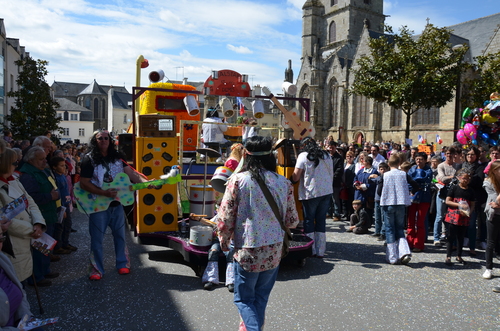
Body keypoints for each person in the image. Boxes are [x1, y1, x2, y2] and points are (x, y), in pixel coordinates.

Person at [217, 136, 299, 331]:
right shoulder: (283, 182)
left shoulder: (238, 181)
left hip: (248, 249)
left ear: (246, 156)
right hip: (274, 248)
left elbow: (225, 217)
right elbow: (292, 221)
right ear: (270, 156)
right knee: (261, 297)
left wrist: (223, 240)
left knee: (244, 299)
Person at [79, 130, 150, 281]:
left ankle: (123, 264)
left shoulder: (118, 157)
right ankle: (96, 269)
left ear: (110, 141)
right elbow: (83, 183)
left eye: (106, 138)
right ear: (94, 141)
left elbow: (131, 174)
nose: (104, 140)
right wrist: (103, 193)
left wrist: (146, 183)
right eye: (100, 138)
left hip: (117, 205)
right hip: (98, 206)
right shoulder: (88, 159)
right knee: (96, 239)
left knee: (120, 237)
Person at [0, 148, 46, 283]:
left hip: (26, 237)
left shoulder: (14, 179)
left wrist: (38, 223)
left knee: (23, 282)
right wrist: (32, 229)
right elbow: (4, 220)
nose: (17, 165)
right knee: (15, 285)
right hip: (13, 243)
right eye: (14, 163)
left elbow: (29, 201)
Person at [19, 146, 59, 287]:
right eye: (41, 159)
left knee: (45, 247)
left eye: (45, 159)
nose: (44, 162)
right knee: (38, 249)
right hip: (39, 218)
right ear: (31, 160)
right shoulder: (28, 175)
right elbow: (30, 198)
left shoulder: (41, 171)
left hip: (48, 214)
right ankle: (37, 276)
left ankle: (45, 270)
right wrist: (50, 196)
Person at [291, 137, 333, 258]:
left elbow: (296, 177)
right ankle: (321, 250)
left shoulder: (303, 155)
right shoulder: (326, 154)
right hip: (326, 191)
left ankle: (311, 249)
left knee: (309, 220)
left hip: (312, 192)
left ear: (303, 146)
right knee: (321, 220)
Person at [378, 154, 415, 265]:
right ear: (399, 163)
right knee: (399, 228)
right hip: (401, 203)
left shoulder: (385, 175)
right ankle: (404, 253)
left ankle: (392, 257)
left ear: (388, 164)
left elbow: (379, 191)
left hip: (388, 204)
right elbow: (415, 184)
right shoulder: (403, 174)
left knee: (389, 229)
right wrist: (409, 192)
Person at [444, 169, 475, 266]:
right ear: (459, 178)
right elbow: (448, 201)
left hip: (464, 215)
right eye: (464, 178)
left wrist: (469, 212)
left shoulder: (471, 190)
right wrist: (458, 205)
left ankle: (459, 255)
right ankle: (448, 256)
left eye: (468, 178)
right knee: (451, 236)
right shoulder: (454, 188)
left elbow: (473, 204)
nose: (466, 180)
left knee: (461, 236)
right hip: (454, 214)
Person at [407, 152, 433, 252]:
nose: (419, 161)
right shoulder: (412, 169)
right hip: (412, 197)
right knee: (410, 221)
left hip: (424, 198)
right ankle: (409, 242)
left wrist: (415, 182)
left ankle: (418, 244)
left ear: (425, 160)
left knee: (420, 222)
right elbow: (409, 180)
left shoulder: (428, 170)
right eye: (417, 159)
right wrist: (413, 186)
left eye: (421, 159)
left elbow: (423, 179)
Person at [434, 147, 459, 246]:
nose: (449, 155)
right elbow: (441, 178)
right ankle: (436, 238)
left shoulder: (457, 166)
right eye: (447, 153)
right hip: (442, 194)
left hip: (453, 195)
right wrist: (453, 177)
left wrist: (448, 178)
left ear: (454, 155)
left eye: (451, 154)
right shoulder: (441, 166)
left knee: (451, 217)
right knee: (439, 216)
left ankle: (450, 237)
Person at [482, 161, 500, 281]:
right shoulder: (488, 182)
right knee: (491, 242)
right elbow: (493, 201)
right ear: (494, 170)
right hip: (493, 214)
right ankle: (489, 268)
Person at [328, 140, 344, 221]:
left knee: (335, 199)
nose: (331, 149)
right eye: (330, 147)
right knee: (328, 198)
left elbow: (339, 170)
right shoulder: (326, 156)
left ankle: (337, 214)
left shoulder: (339, 158)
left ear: (335, 148)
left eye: (332, 148)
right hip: (327, 181)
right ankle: (328, 213)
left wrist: (332, 178)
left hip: (335, 182)